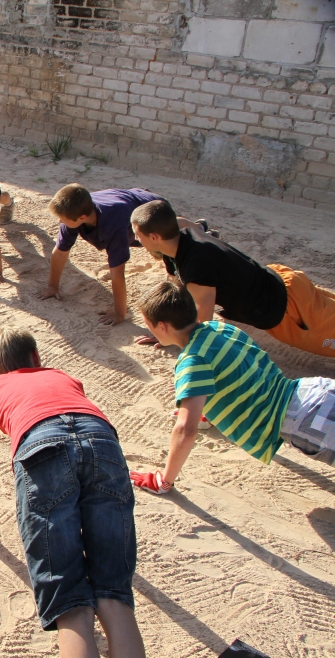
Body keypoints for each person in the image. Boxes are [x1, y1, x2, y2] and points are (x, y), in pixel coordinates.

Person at [0, 326, 146, 658]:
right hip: (102, 443)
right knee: (113, 593)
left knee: (69, 600)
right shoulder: (62, 377)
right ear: (36, 358)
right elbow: (75, 421)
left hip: (42, 448)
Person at [130, 282, 334, 495]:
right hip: (315, 389)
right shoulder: (219, 328)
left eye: (149, 324)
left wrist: (164, 481)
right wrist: (206, 411)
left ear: (162, 326)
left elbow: (185, 430)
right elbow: (240, 371)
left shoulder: (193, 360)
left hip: (306, 420)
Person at [131, 200, 335, 358]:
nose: (136, 240)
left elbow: (203, 320)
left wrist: (174, 340)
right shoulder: (178, 237)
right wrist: (162, 330)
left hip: (286, 308)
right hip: (283, 281)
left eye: (138, 235)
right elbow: (179, 222)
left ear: (154, 237)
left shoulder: (197, 267)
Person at [38, 184, 170, 326]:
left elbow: (117, 273)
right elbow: (60, 253)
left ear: (82, 217)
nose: (59, 221)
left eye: (62, 218)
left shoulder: (112, 224)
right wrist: (52, 287)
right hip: (128, 203)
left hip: (155, 210)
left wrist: (119, 313)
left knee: (162, 251)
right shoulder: (72, 212)